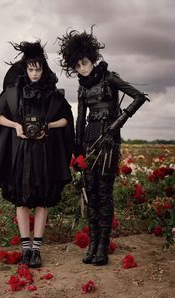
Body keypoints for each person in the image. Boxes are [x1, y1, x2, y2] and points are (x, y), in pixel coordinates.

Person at [0, 41, 74, 268]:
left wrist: (46, 127)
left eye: (38, 69)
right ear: (25, 69)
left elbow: (66, 120)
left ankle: (37, 249)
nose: (34, 73)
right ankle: (25, 248)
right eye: (31, 69)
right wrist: (16, 126)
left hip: (43, 155)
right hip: (20, 155)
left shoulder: (53, 95)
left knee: (42, 201)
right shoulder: (12, 92)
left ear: (43, 69)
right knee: (21, 201)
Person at [58, 26, 149, 266]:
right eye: (77, 66)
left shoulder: (110, 77)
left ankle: (102, 248)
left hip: (109, 141)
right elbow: (79, 119)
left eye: (84, 63)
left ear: (92, 58)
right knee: (91, 195)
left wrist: (118, 122)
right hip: (89, 141)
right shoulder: (82, 86)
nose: (81, 68)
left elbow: (139, 96)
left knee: (104, 193)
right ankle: (92, 244)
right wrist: (77, 149)